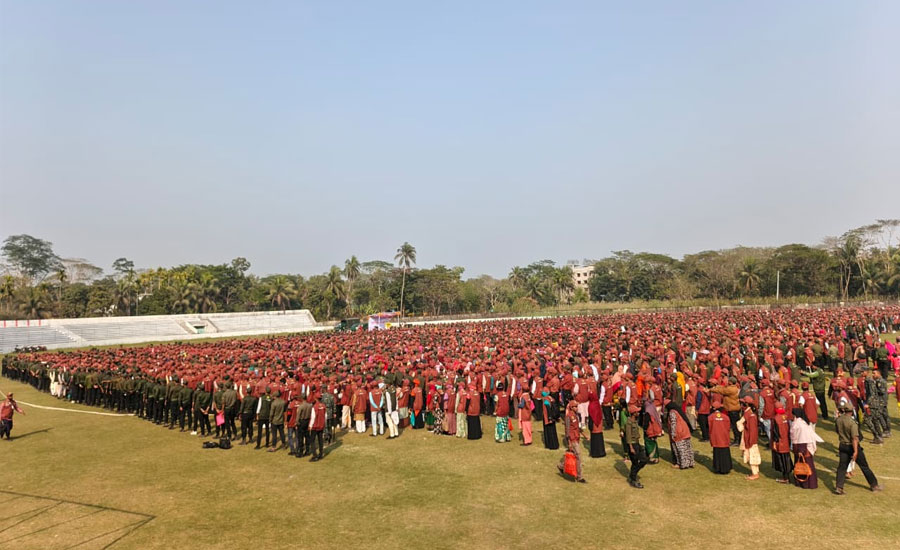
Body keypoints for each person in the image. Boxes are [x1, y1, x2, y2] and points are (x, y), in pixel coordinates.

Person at [834, 403, 882, 495]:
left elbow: (837, 431)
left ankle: (839, 487)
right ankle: (874, 485)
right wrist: (855, 451)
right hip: (852, 446)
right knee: (864, 466)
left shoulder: (838, 420)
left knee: (842, 467)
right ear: (852, 411)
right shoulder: (852, 423)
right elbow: (854, 438)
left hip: (842, 445)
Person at [789, 407, 822, 489]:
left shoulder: (799, 425)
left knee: (805, 465)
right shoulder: (802, 423)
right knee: (804, 465)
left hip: (803, 448)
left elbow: (802, 438)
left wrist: (801, 450)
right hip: (802, 447)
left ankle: (807, 484)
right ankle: (804, 482)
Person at [556, 401, 586, 482]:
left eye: (577, 406)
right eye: (575, 407)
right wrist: (569, 442)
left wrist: (585, 435)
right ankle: (580, 477)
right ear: (571, 407)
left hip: (576, 437)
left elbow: (577, 427)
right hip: (572, 439)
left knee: (573, 455)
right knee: (578, 456)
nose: (577, 408)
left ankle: (561, 466)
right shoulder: (568, 416)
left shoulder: (576, 415)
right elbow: (567, 430)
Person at [623, 404, 647, 488]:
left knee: (644, 459)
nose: (638, 413)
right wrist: (631, 448)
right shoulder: (629, 423)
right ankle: (633, 479)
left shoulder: (635, 421)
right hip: (632, 444)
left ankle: (632, 475)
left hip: (637, 443)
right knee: (635, 462)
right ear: (633, 413)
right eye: (637, 412)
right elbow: (628, 436)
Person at [738, 396, 761, 480]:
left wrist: (750, 441)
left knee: (751, 456)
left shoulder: (750, 415)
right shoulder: (749, 413)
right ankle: (755, 472)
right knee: (750, 455)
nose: (741, 405)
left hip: (750, 439)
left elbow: (752, 430)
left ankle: (755, 474)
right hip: (749, 437)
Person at [665, 401, 693, 469]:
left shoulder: (672, 412)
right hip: (685, 431)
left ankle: (681, 464)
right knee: (687, 448)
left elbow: (673, 423)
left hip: (679, 432)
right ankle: (690, 462)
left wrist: (673, 434)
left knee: (679, 449)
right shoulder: (678, 411)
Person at [771, 406, 792, 484]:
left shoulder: (776, 418)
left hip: (780, 442)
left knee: (782, 460)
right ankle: (788, 476)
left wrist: (774, 442)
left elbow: (776, 432)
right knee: (787, 459)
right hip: (786, 441)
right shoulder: (785, 417)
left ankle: (785, 478)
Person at [709, 404, 732, 474]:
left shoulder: (711, 417)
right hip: (724, 437)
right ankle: (726, 468)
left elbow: (710, 428)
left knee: (717, 453)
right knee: (725, 452)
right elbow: (728, 428)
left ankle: (717, 468)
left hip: (716, 438)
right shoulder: (726, 417)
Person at [308, 393, 327, 462]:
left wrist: (310, 425)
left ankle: (315, 456)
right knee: (320, 439)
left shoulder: (314, 407)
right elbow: (325, 416)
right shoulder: (324, 406)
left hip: (315, 426)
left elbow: (313, 417)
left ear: (315, 398)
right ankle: (321, 454)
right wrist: (324, 424)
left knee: (312, 440)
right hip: (321, 425)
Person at [587, 391, 606, 457]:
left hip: (594, 424)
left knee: (594, 439)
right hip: (599, 424)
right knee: (599, 438)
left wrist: (590, 426)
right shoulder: (597, 404)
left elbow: (591, 416)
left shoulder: (591, 405)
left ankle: (595, 453)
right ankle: (601, 452)